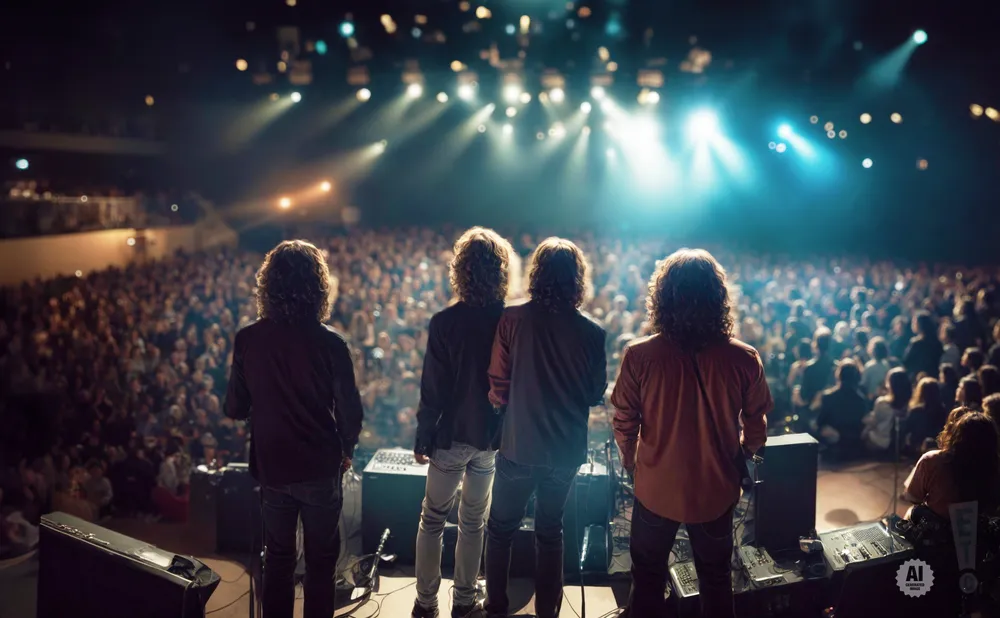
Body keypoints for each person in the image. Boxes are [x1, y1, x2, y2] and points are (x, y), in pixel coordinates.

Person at [611, 249, 771, 618]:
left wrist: (631, 462)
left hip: (655, 486)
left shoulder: (639, 355)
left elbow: (624, 420)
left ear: (663, 297)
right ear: (718, 297)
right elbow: (757, 424)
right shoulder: (744, 358)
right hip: (715, 487)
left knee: (648, 575)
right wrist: (747, 457)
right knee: (716, 577)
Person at [225, 240, 364, 618]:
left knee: (278, 558)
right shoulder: (331, 343)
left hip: (273, 465)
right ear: (319, 286)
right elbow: (351, 412)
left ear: (268, 285)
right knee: (321, 561)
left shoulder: (248, 339)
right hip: (320, 466)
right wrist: (347, 449)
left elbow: (234, 407)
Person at [485, 238, 607, 618]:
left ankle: (496, 607)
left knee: (500, 529)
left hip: (519, 444)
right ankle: (547, 613)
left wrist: (508, 404)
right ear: (577, 279)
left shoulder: (513, 318)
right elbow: (594, 393)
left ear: (536, 274)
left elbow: (497, 382)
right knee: (550, 531)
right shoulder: (593, 332)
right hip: (565, 451)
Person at [411, 228, 514, 618]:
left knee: (432, 519)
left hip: (451, 436)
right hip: (490, 437)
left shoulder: (444, 321)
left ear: (460, 270)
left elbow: (432, 388)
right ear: (501, 271)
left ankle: (425, 604)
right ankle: (465, 601)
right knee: (473, 521)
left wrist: (423, 435)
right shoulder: (510, 320)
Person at [904, 409, 999, 521]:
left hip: (937, 530)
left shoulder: (932, 460)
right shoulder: (995, 466)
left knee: (912, 512)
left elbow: (912, 497)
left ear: (957, 435)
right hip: (982, 529)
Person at [815, 360, 868, 460]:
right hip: (855, 439)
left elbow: (820, 421)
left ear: (838, 375)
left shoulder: (828, 396)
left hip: (836, 438)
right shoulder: (861, 399)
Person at [863, 368, 911, 453]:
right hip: (901, 445)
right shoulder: (911, 405)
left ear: (889, 384)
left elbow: (873, 423)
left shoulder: (882, 403)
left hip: (880, 442)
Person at [901, 378, 948, 455]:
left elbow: (906, 429)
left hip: (915, 447)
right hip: (935, 447)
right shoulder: (942, 410)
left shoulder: (916, 410)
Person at [903, 311, 943, 380]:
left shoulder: (916, 343)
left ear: (920, 324)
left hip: (918, 377)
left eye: (914, 322)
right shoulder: (937, 342)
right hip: (934, 376)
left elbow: (907, 362)